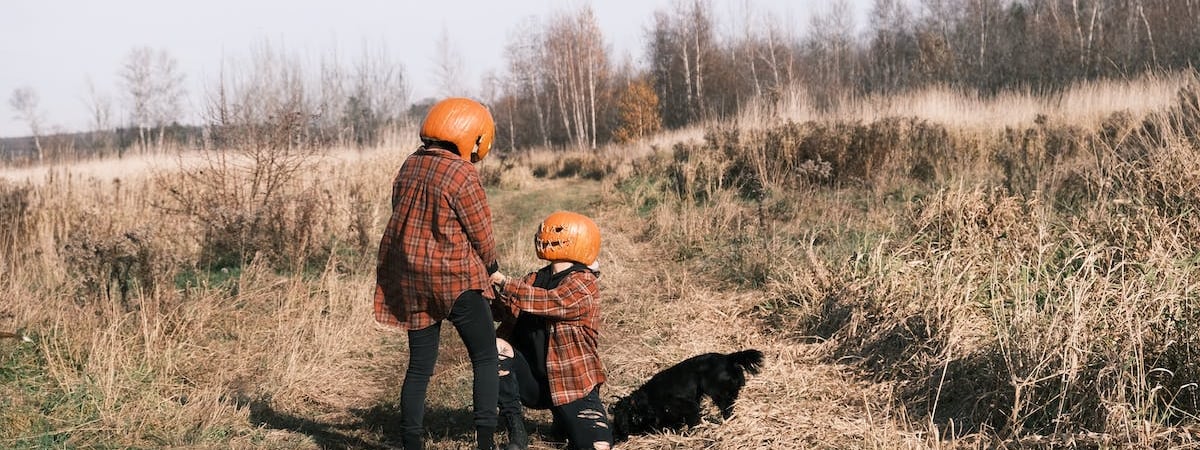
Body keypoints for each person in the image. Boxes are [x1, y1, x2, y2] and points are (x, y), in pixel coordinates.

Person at [374, 97, 501, 450]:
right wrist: (492, 268)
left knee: (419, 367)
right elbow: (481, 234)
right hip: (455, 280)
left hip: (411, 280)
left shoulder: (410, 163)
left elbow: (400, 211)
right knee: (485, 356)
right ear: (472, 136)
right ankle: (485, 441)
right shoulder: (462, 173)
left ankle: (411, 442)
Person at [489, 211, 614, 450]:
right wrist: (479, 289)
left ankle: (564, 419)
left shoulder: (584, 283)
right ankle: (516, 430)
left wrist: (504, 282)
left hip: (572, 386)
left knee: (598, 446)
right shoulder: (534, 279)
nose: (545, 235)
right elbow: (501, 310)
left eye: (557, 231)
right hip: (533, 382)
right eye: (544, 229)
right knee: (495, 349)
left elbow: (552, 302)